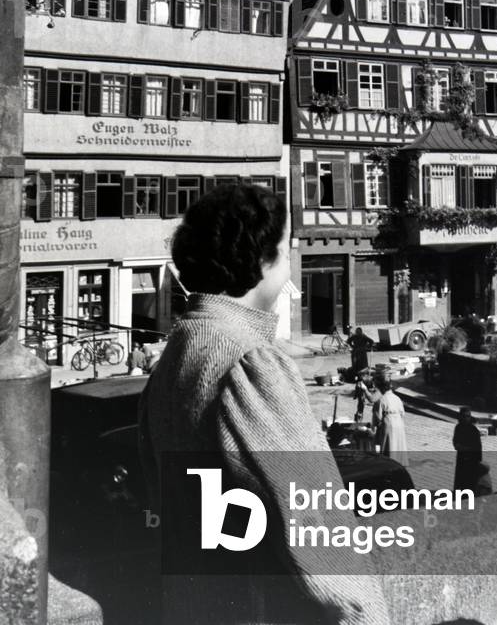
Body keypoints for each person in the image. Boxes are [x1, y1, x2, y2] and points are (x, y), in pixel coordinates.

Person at [138, 183, 389, 625]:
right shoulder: (250, 362)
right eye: (284, 248)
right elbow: (318, 526)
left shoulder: (176, 353)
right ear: (263, 261)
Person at [372, 372, 409, 466]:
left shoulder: (381, 400)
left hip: (388, 424)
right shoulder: (397, 398)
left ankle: (389, 465)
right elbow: (402, 413)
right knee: (398, 446)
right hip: (399, 423)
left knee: (389, 447)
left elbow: (377, 418)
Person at [452, 407, 483, 493]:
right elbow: (455, 441)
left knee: (470, 483)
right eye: (464, 416)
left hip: (471, 461)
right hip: (461, 459)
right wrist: (458, 445)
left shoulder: (473, 430)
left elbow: (478, 447)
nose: (466, 418)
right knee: (460, 482)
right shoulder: (458, 428)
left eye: (468, 416)